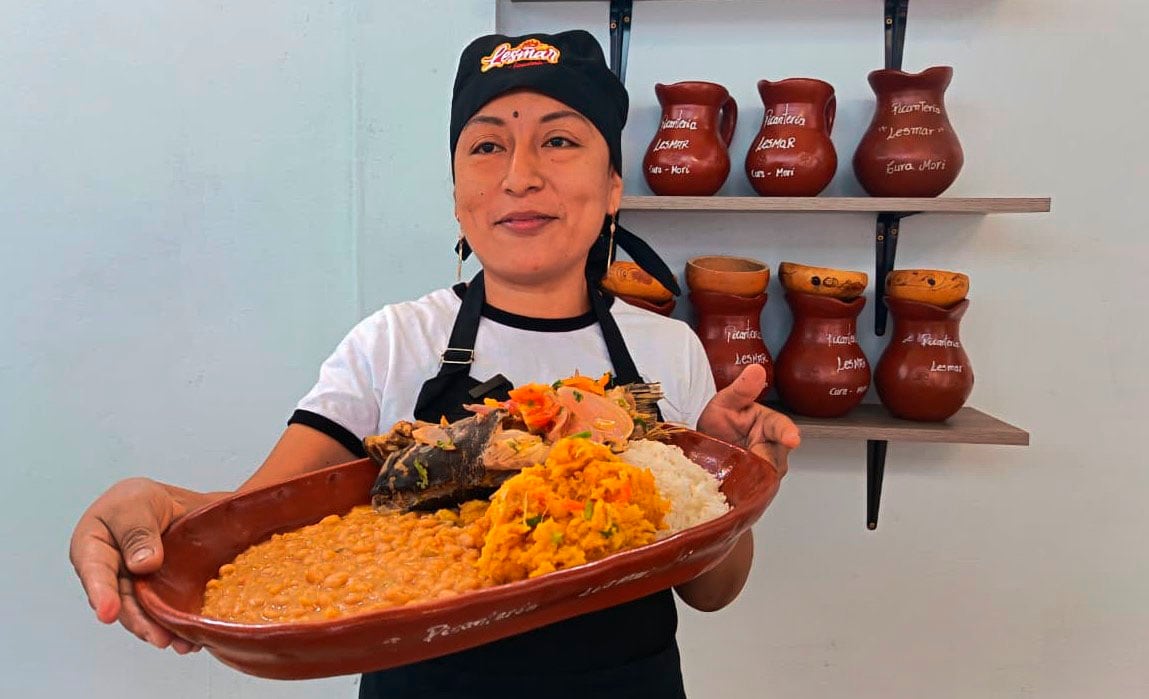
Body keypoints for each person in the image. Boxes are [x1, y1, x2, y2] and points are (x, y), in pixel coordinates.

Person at [69, 30, 801, 698]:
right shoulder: (390, 343)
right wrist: (163, 513)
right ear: (457, 195)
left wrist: (733, 483)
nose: (518, 175)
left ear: (613, 186)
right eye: (485, 147)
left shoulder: (666, 349)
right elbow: (256, 522)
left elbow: (710, 591)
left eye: (559, 141)